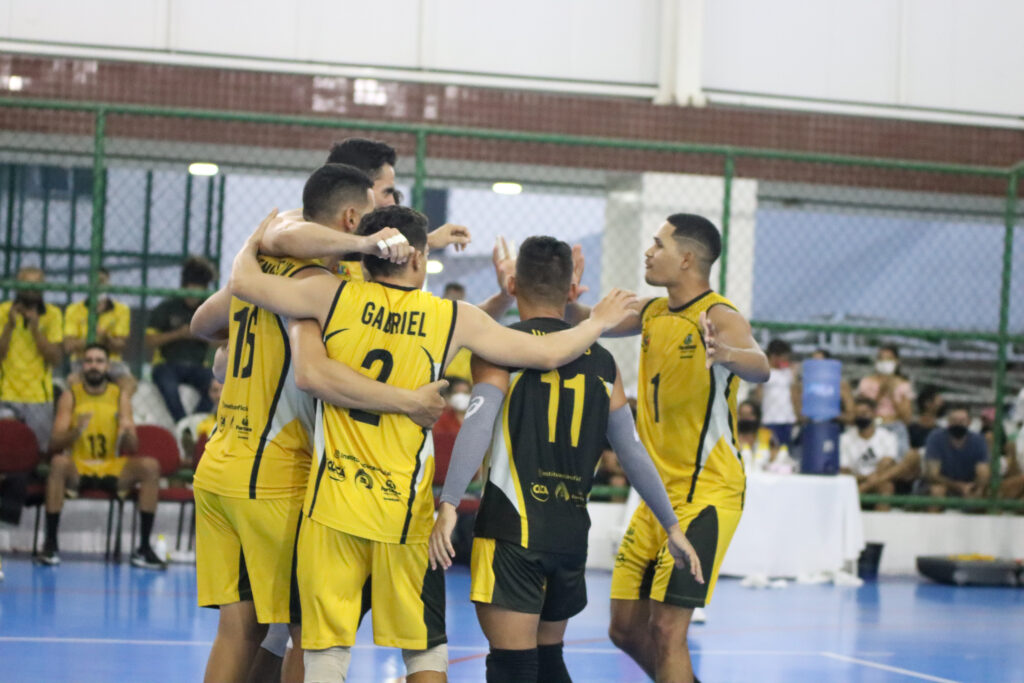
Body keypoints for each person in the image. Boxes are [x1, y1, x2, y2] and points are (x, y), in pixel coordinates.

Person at [228, 204, 637, 683]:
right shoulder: (450, 317)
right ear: (419, 261)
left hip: (332, 504)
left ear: (367, 255)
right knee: (425, 651)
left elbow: (244, 283)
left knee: (324, 651)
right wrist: (597, 321)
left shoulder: (328, 295)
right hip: (405, 512)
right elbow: (547, 352)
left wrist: (251, 242)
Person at [188, 164, 449, 683]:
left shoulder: (261, 270)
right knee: (310, 634)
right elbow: (316, 374)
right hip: (273, 475)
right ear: (353, 219)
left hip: (218, 464)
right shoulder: (321, 288)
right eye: (376, 218)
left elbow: (202, 327)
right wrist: (407, 401)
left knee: (241, 630)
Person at [428, 235, 701, 683]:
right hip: (569, 533)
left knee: (512, 666)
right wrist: (671, 524)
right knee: (549, 659)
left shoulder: (498, 345)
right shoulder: (601, 360)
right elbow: (631, 451)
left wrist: (450, 503)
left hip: (512, 530)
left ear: (514, 284)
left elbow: (477, 424)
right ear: (572, 287)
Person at [567, 214, 769, 683]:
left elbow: (760, 366)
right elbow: (589, 323)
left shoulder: (720, 316)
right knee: (623, 629)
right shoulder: (655, 312)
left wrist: (728, 355)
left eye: (657, 244)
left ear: (686, 258)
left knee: (666, 630)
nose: (647, 252)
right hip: (658, 498)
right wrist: (572, 302)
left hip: (707, 493)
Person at [35, 343, 165, 568]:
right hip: (79, 464)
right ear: (82, 367)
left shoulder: (119, 396)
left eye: (99, 361)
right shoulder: (71, 396)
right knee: (57, 463)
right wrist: (76, 431)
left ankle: (144, 547)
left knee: (150, 466)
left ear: (107, 367)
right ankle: (50, 543)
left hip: (110, 464)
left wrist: (126, 432)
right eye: (89, 361)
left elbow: (133, 446)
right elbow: (54, 442)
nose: (93, 365)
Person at [145, 256, 217, 422]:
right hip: (167, 364)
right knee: (168, 386)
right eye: (190, 288)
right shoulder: (167, 307)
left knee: (215, 385)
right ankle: (183, 423)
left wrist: (200, 334)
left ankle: (195, 422)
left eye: (198, 289)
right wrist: (178, 334)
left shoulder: (209, 308)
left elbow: (223, 341)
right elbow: (149, 340)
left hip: (198, 366)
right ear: (183, 287)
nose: (193, 295)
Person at [0, 267, 63, 451]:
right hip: (5, 393)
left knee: (36, 452)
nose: (31, 290)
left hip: (38, 396)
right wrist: (9, 327)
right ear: (17, 286)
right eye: (26, 284)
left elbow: (56, 358)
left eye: (36, 285)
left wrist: (36, 330)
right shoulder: (3, 311)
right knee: (7, 449)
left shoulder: (52, 314)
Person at [924, 405, 990, 511]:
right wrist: (959, 487)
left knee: (988, 493)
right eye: (954, 420)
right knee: (937, 491)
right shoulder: (936, 438)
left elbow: (983, 472)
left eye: (962, 421)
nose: (958, 424)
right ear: (948, 422)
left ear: (969, 422)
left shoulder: (978, 440)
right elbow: (932, 474)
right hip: (944, 485)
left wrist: (976, 488)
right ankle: (933, 526)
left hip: (970, 487)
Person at [839, 397, 900, 510]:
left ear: (873, 413)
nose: (860, 417)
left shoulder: (887, 437)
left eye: (864, 413)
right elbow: (844, 471)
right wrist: (866, 478)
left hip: (877, 482)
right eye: (857, 414)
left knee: (886, 487)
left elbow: (886, 464)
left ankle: (881, 524)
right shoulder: (845, 439)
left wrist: (866, 485)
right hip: (855, 482)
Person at [857, 345, 913, 457]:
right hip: (872, 427)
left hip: (895, 427)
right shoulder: (866, 382)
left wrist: (892, 393)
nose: (884, 362)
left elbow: (907, 418)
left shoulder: (903, 385)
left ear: (896, 361)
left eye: (889, 359)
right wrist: (880, 393)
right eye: (881, 358)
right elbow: (861, 411)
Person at [754, 339, 799, 449]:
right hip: (769, 420)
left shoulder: (788, 372)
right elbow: (758, 396)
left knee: (785, 452)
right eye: (784, 357)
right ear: (774, 356)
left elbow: (795, 395)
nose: (786, 360)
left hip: (788, 419)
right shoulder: (764, 371)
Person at [736, 400, 778, 471]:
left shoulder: (766, 434)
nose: (746, 418)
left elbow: (776, 455)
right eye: (742, 415)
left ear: (757, 416)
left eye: (749, 415)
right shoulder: (733, 436)